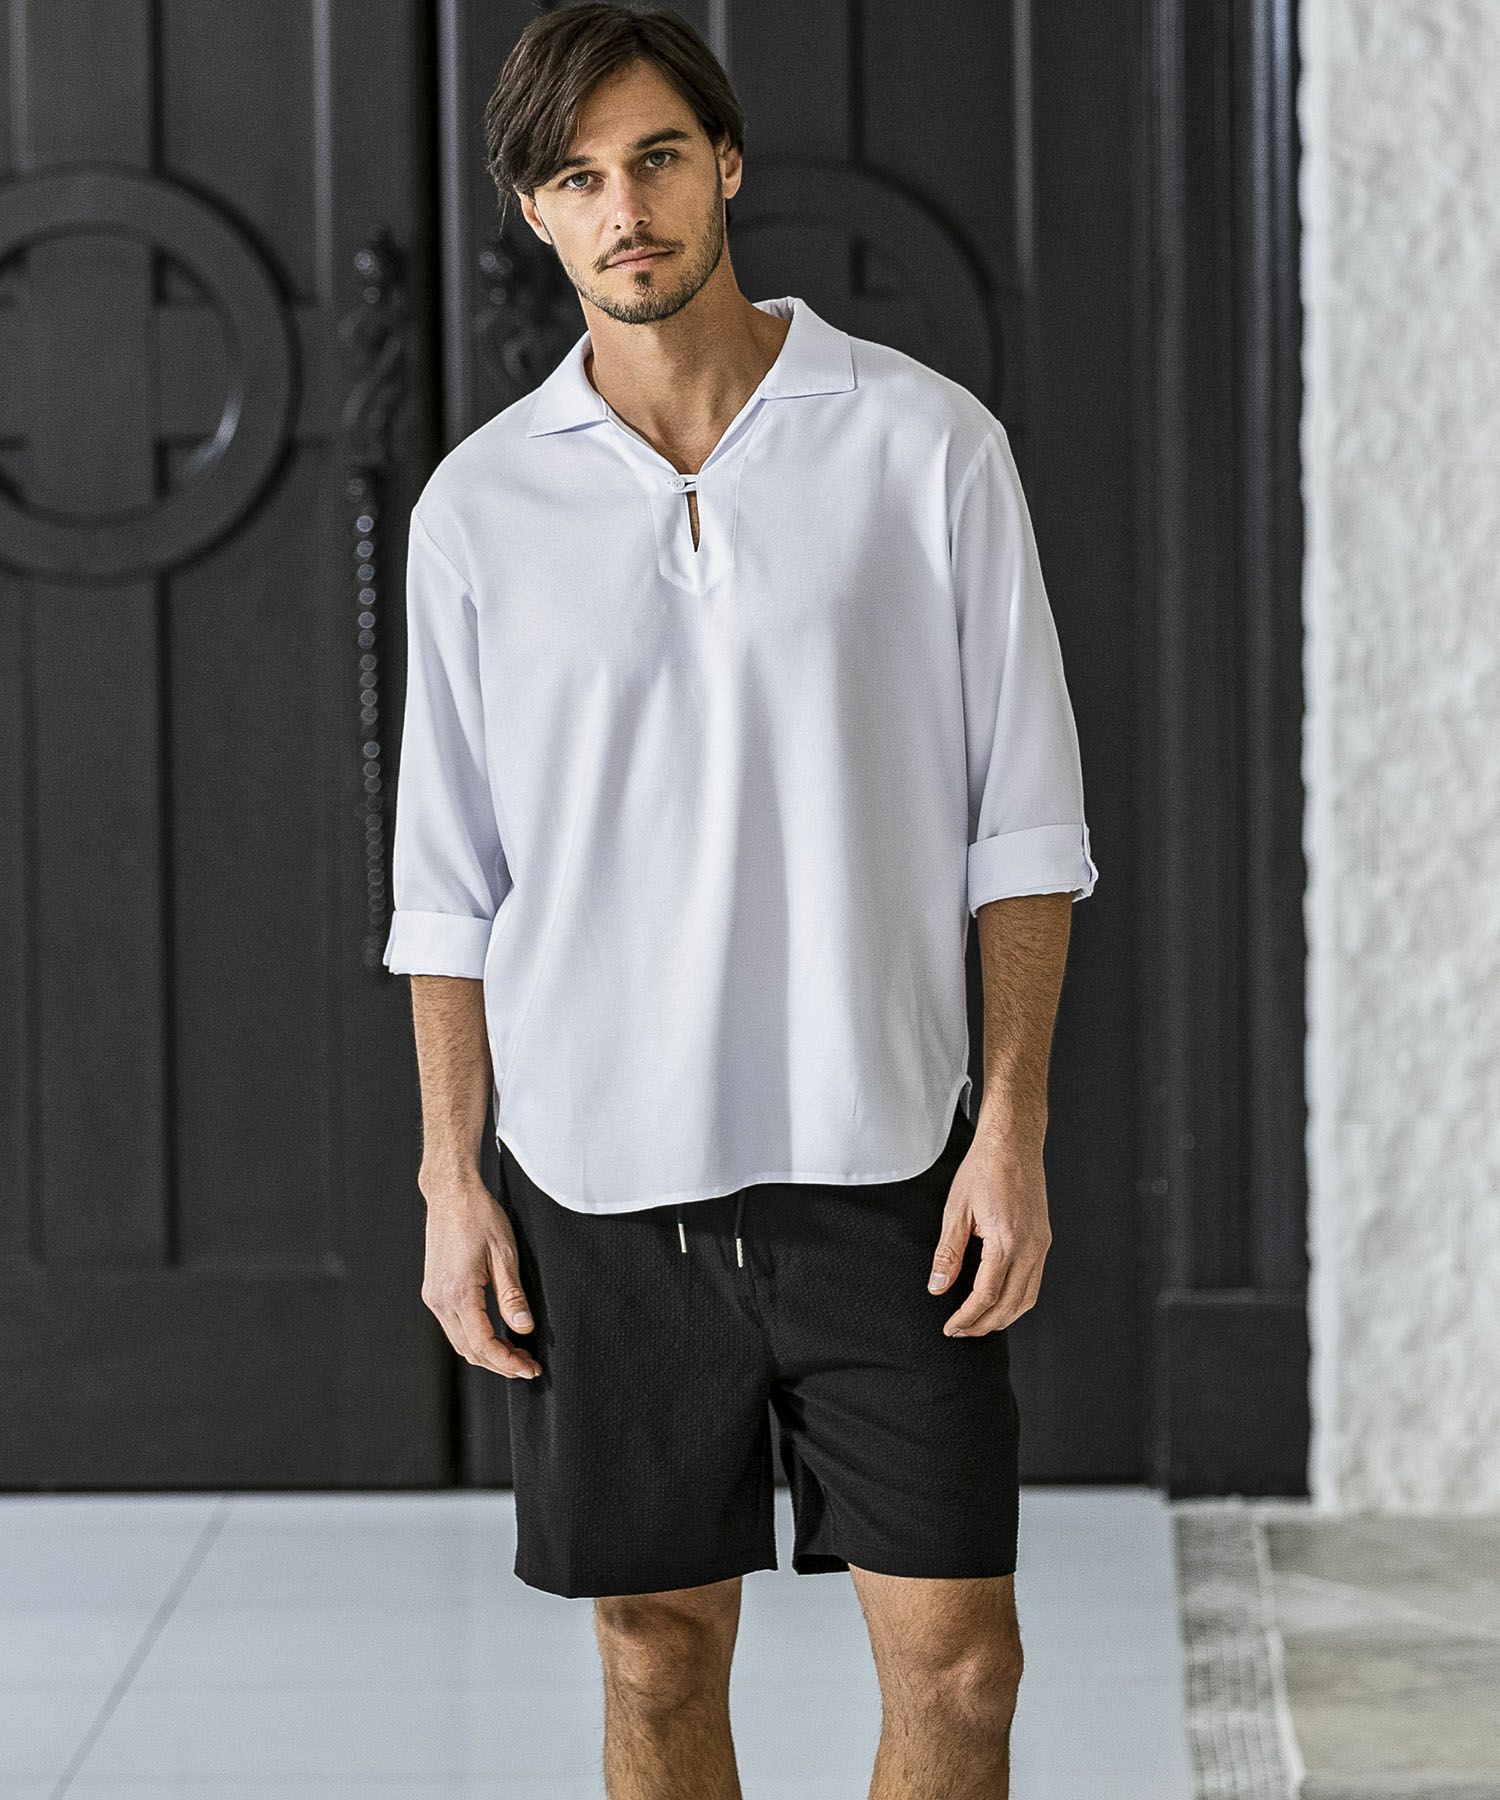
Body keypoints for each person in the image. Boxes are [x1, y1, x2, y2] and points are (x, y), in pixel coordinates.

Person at [383, 6, 1098, 1794]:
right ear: (535, 213)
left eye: (655, 159)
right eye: (575, 179)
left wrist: (1011, 1127)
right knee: (654, 1657)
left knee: (963, 1673)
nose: (623, 208)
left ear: (726, 164)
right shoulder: (480, 508)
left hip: (887, 1167)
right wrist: (452, 1179)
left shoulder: (925, 445)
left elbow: (1026, 828)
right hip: (599, 1182)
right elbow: (448, 887)